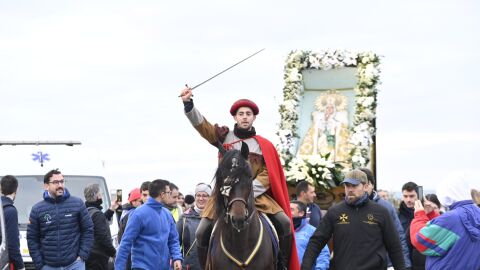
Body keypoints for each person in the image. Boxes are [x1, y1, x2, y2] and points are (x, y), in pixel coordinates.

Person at [180, 88, 299, 270]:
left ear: (254, 118)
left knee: (284, 223)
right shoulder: (222, 137)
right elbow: (202, 126)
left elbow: (268, 175)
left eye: (248, 114)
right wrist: (189, 105)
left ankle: (281, 265)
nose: (244, 117)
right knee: (202, 230)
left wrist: (246, 191)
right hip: (223, 194)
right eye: (241, 114)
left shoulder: (263, 145)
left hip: (255, 195)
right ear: (235, 117)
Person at [301, 169, 406, 270]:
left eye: (354, 185)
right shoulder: (335, 212)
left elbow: (394, 246)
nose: (350, 189)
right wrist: (305, 267)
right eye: (347, 185)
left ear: (365, 186)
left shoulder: (381, 212)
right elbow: (317, 241)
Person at [27, 169, 94, 270]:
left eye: (62, 181)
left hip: (74, 264)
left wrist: (82, 255)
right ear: (46, 186)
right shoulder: (37, 209)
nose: (60, 185)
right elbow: (32, 238)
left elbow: (88, 230)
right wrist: (39, 264)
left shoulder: (77, 203)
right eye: (55, 182)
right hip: (48, 266)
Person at [411, 177, 480, 269]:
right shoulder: (476, 212)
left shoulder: (451, 218)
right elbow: (446, 236)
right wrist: (431, 214)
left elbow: (420, 240)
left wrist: (419, 215)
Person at [115, 179, 182, 270]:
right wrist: (119, 268)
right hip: (142, 267)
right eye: (169, 192)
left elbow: (173, 239)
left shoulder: (167, 214)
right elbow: (125, 243)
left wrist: (177, 257)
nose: (170, 195)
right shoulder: (138, 214)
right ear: (162, 195)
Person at [360, 168, 412, 269]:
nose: (362, 188)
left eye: (365, 184)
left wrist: (405, 264)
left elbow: (398, 236)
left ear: (372, 185)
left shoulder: (385, 207)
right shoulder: (349, 208)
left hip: (384, 263)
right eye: (358, 184)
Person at [176, 183, 212, 270]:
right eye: (198, 195)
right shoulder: (184, 217)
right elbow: (175, 242)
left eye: (205, 196)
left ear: (210, 198)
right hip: (189, 267)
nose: (201, 198)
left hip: (210, 266)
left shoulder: (216, 218)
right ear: (195, 197)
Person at [83, 184, 116, 270]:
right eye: (101, 194)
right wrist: (113, 252)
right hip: (98, 258)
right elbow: (102, 237)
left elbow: (99, 221)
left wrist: (111, 210)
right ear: (97, 196)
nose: (102, 196)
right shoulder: (97, 214)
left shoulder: (86, 210)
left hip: (88, 255)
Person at [290, 201, 329, 270]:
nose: (287, 211)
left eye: (291, 209)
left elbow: (323, 254)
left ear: (301, 213)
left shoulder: (313, 232)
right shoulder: (283, 231)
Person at [409, 194, 441, 270]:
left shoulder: (444, 221)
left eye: (435, 208)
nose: (433, 210)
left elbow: (421, 238)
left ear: (440, 207)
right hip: (420, 264)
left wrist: (420, 214)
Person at [1, 175, 25, 270]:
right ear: (16, 189)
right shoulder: (10, 211)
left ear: (1, 188)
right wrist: (21, 266)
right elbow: (12, 245)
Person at [398, 181, 419, 258]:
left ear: (418, 195)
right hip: (404, 257)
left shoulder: (424, 214)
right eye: (405, 196)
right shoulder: (397, 216)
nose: (408, 199)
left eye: (411, 196)